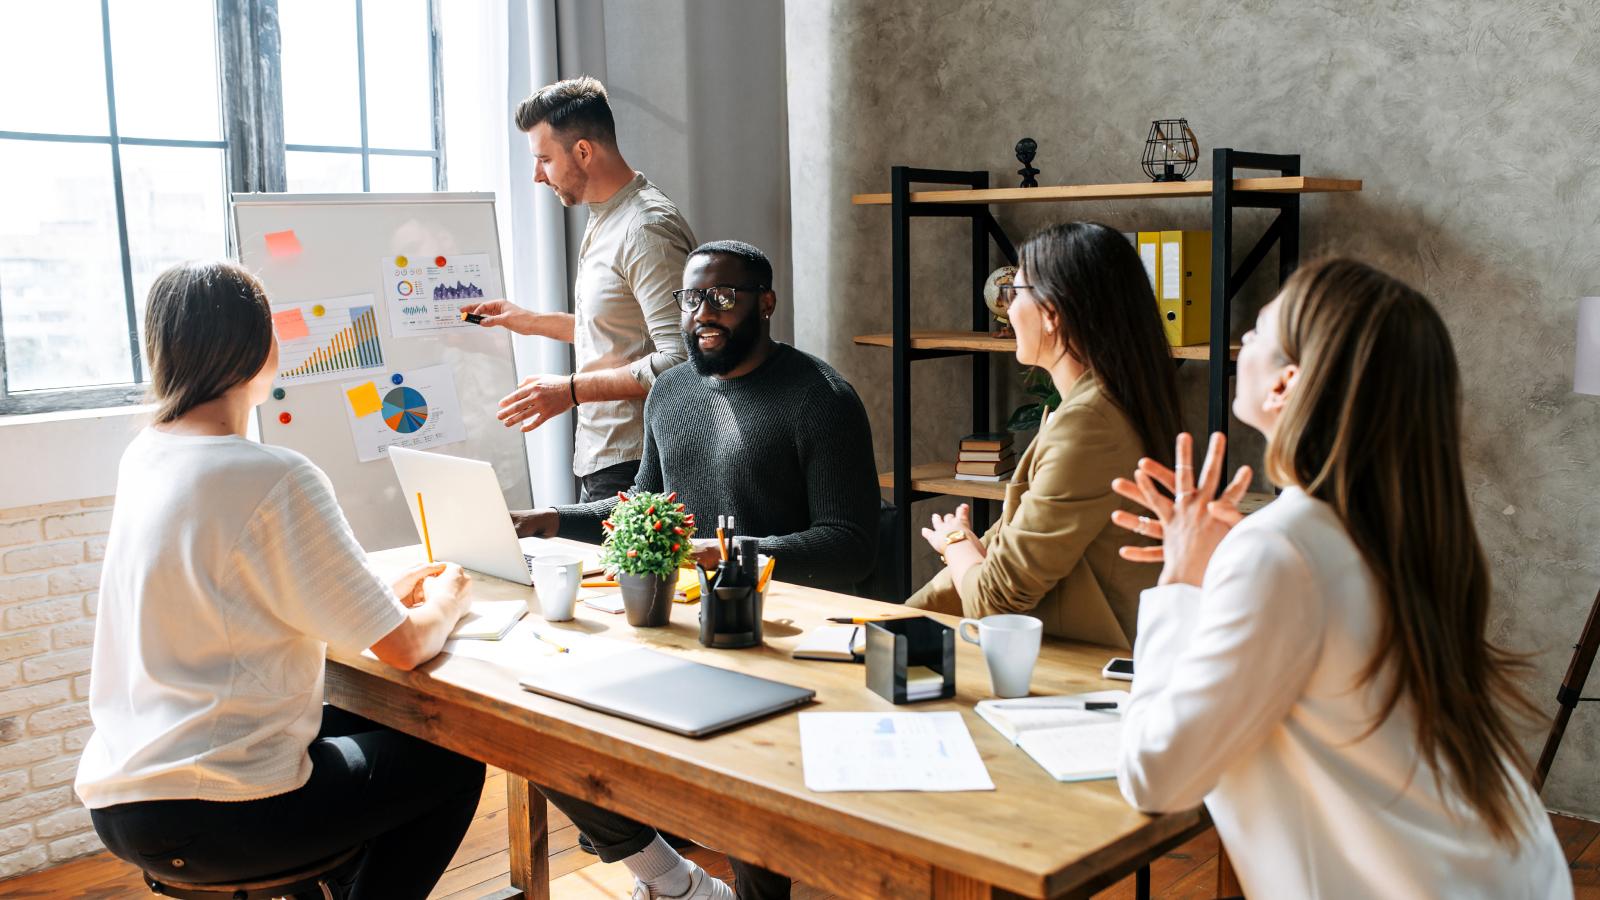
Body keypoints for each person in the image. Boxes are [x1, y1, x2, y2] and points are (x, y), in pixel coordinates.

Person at [1110, 258, 1570, 898]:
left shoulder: (1281, 550)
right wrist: (1215, 570)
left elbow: (1155, 777)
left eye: (1258, 331)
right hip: (1510, 873)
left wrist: (1183, 580)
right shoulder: (1400, 529)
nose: (1240, 341)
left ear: (1285, 385)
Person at [75, 262, 485, 900]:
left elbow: (233, 592)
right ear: (261, 347)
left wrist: (377, 596)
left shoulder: (148, 455)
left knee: (369, 728)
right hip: (221, 810)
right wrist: (450, 598)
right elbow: (404, 648)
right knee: (454, 760)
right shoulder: (275, 475)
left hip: (123, 800)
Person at [514, 240, 880, 899]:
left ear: (765, 304)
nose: (703, 313)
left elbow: (851, 543)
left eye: (723, 297)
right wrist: (549, 520)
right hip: (685, 625)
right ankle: (672, 881)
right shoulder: (671, 391)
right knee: (539, 731)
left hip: (786, 639)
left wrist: (736, 555)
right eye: (691, 298)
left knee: (745, 807)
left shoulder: (822, 399)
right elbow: (645, 509)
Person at [905, 222, 1181, 649]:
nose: (1007, 310)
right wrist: (886, 622)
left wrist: (955, 542)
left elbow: (996, 602)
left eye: (1014, 294)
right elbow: (1000, 558)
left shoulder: (1089, 426)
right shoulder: (1092, 406)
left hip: (1086, 673)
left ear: (1051, 313)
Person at [461, 75, 696, 502]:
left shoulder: (646, 229)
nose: (536, 175)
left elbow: (681, 360)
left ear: (583, 151)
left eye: (544, 159)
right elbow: (624, 333)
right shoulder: (607, 216)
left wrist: (568, 390)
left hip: (640, 462)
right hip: (605, 455)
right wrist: (528, 321)